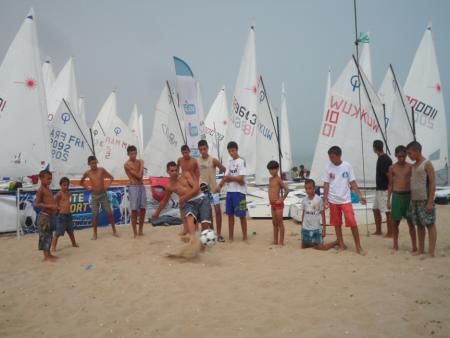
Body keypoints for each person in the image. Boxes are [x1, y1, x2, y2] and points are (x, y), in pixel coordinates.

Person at [152, 161, 211, 242]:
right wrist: (157, 213)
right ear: (167, 172)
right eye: (172, 171)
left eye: (176, 170)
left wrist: (185, 197)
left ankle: (200, 241)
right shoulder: (169, 186)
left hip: (200, 198)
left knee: (205, 225)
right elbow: (164, 201)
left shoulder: (185, 175)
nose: (175, 172)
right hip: (189, 203)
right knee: (190, 218)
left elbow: (196, 189)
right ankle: (193, 241)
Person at [322, 146, 366, 255]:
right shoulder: (327, 167)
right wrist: (325, 199)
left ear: (339, 155)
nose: (331, 159)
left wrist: (360, 196)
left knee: (352, 222)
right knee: (336, 223)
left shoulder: (347, 166)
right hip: (333, 200)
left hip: (346, 200)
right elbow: (326, 184)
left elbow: (353, 183)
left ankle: (358, 246)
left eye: (332, 157)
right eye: (330, 157)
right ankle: (341, 243)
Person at [406, 141, 437, 258]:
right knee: (419, 225)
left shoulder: (427, 164)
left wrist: (430, 201)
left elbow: (433, 183)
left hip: (425, 199)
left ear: (417, 151)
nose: (409, 156)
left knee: (430, 224)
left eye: (410, 153)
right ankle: (421, 250)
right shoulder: (413, 165)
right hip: (414, 200)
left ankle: (431, 252)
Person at [387, 146, 417, 253]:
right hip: (396, 196)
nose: (401, 159)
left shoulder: (410, 167)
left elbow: (415, 182)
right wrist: (388, 200)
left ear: (406, 155)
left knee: (411, 223)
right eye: (399, 156)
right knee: (395, 222)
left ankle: (414, 247)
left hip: (408, 196)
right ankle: (395, 245)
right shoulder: (392, 168)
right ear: (395, 155)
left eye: (403, 156)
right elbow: (390, 184)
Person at [80, 155, 118, 240]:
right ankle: (94, 234)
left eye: (94, 163)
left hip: (103, 195)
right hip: (94, 196)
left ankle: (114, 231)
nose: (93, 165)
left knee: (110, 213)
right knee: (95, 215)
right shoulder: (87, 172)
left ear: (97, 162)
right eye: (91, 163)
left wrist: (106, 186)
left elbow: (111, 177)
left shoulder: (101, 170)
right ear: (89, 164)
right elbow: (81, 182)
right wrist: (87, 187)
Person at [216, 141, 247, 242]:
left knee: (242, 216)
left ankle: (245, 237)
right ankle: (231, 237)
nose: (231, 153)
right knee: (230, 215)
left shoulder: (241, 161)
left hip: (240, 192)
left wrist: (230, 178)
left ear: (237, 150)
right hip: (230, 191)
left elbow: (241, 179)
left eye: (233, 150)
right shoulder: (230, 162)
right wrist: (220, 185)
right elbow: (226, 178)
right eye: (229, 151)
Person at [198, 140, 226, 242]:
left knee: (218, 211)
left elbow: (224, 170)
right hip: (203, 191)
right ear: (199, 150)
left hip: (214, 190)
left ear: (207, 148)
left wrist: (220, 185)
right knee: (208, 214)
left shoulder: (213, 160)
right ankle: (212, 233)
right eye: (201, 149)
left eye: (204, 149)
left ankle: (219, 234)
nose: (203, 151)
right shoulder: (197, 162)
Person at [301, 179, 339, 250]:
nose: (308, 190)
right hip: (305, 228)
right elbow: (303, 214)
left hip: (316, 229)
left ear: (314, 188)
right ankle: (313, 242)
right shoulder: (304, 200)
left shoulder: (319, 200)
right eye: (306, 189)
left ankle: (336, 242)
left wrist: (324, 230)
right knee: (303, 246)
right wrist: (302, 227)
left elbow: (323, 215)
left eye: (310, 188)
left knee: (321, 248)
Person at [35, 170, 58, 262]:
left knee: (49, 236)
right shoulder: (41, 190)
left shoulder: (48, 189)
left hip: (49, 216)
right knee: (44, 236)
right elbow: (37, 204)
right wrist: (50, 206)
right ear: (41, 179)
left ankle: (49, 254)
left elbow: (49, 201)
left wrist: (55, 208)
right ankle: (46, 256)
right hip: (44, 217)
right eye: (48, 179)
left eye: (50, 179)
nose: (49, 181)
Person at [124, 145, 146, 238]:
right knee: (134, 211)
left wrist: (141, 164)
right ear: (128, 154)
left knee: (143, 209)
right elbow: (139, 176)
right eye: (131, 153)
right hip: (133, 186)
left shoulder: (139, 162)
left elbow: (140, 176)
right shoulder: (127, 164)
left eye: (135, 153)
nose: (134, 155)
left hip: (141, 186)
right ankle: (135, 232)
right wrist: (142, 165)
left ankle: (140, 230)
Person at [51, 177, 79, 251]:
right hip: (61, 216)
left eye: (67, 185)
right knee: (57, 233)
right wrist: (57, 209)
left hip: (69, 215)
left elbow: (68, 203)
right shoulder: (59, 194)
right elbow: (54, 203)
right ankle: (53, 248)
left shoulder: (69, 193)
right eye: (64, 185)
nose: (66, 187)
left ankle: (74, 243)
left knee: (71, 232)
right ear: (60, 185)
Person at [372, 140, 393, 237]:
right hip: (378, 189)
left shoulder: (384, 159)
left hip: (384, 189)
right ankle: (378, 230)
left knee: (387, 212)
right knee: (375, 209)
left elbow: (389, 176)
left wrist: (390, 189)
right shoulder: (381, 158)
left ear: (374, 148)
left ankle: (390, 233)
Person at [267, 160, 289, 245]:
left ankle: (281, 242)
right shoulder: (270, 179)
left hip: (278, 204)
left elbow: (287, 189)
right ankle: (275, 241)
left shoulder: (278, 179)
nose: (271, 171)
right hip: (272, 204)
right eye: (270, 170)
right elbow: (271, 190)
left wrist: (282, 199)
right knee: (274, 223)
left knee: (280, 223)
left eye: (273, 169)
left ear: (277, 169)